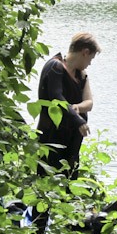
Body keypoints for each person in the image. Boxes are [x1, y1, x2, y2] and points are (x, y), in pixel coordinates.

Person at [36, 32, 100, 179]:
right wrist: (78, 120)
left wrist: (76, 108)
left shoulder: (81, 75)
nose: (90, 63)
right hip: (52, 136)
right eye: (91, 58)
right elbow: (56, 97)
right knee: (49, 178)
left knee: (70, 179)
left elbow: (89, 103)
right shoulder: (55, 67)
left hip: (71, 140)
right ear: (85, 52)